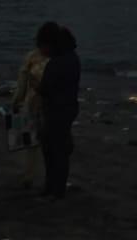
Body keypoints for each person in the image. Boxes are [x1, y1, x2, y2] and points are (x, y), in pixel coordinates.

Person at [35, 21, 81, 199]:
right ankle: (54, 188)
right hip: (67, 108)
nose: (41, 51)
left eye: (42, 46)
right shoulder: (70, 56)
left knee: (55, 151)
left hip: (58, 110)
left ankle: (55, 189)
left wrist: (36, 86)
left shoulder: (59, 61)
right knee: (58, 149)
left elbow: (47, 88)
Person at [10, 41, 49, 188]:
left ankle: (29, 175)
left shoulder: (31, 57)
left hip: (32, 103)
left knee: (30, 143)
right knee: (48, 143)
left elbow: (22, 84)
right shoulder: (57, 58)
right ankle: (47, 177)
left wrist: (15, 101)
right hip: (49, 105)